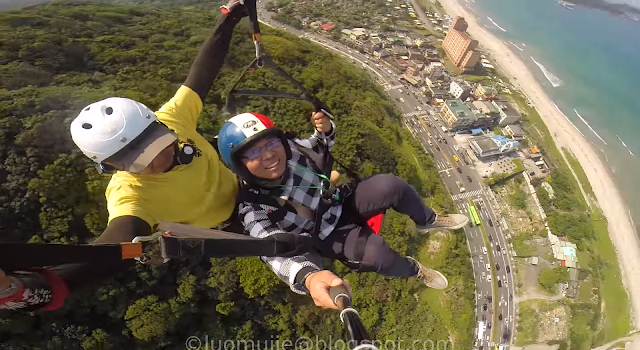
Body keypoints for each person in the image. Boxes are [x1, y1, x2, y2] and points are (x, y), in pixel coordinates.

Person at [0, 0, 290, 312]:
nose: (158, 160)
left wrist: (230, 17)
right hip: (233, 225)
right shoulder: (131, 194)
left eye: (159, 142)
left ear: (158, 124)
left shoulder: (174, 117)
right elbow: (115, 244)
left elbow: (203, 71)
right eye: (138, 161)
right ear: (111, 167)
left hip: (248, 186)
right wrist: (31, 289)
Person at [216, 111, 469, 308]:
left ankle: (427, 219)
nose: (269, 155)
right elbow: (270, 250)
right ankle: (413, 269)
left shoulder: (292, 150)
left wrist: (325, 128)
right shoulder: (254, 206)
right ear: (239, 165)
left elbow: (322, 145)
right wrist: (310, 278)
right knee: (380, 257)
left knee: (392, 185)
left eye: (271, 144)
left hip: (339, 202)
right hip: (326, 235)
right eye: (254, 152)